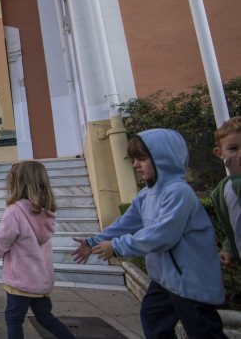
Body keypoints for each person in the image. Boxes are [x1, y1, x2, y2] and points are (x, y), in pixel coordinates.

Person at [72, 129, 227, 339]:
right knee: (153, 321)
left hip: (189, 280)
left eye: (142, 159)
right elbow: (125, 224)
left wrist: (116, 246)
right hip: (164, 280)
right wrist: (93, 241)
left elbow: (162, 235)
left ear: (164, 159)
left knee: (203, 333)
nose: (135, 165)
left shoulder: (179, 193)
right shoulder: (146, 195)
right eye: (135, 159)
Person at [0, 162, 74, 339]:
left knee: (13, 318)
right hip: (41, 278)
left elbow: (1, 242)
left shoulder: (15, 211)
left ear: (17, 183)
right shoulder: (46, 212)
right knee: (45, 317)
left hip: (20, 279)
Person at [211, 116, 241, 267]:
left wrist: (237, 177)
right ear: (220, 153)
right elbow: (235, 223)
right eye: (233, 148)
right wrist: (229, 249)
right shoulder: (222, 189)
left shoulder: (234, 182)